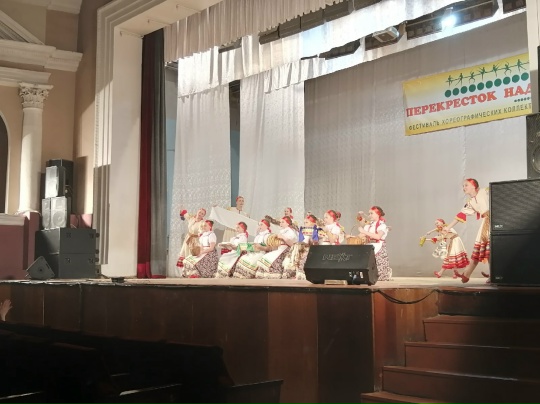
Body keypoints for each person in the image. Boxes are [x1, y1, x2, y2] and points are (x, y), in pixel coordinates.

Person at [445, 178, 490, 283]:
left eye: (466, 185)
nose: (463, 188)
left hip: (494, 220)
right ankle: (468, 274)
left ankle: (469, 274)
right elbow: (461, 215)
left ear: (474, 186)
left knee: (489, 249)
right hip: (486, 223)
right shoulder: (471, 202)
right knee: (484, 250)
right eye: (463, 186)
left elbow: (498, 192)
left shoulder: (484, 191)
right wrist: (448, 227)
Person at [358, 206, 392, 281]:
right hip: (369, 246)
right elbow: (362, 235)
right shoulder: (369, 225)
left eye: (371, 213)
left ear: (378, 214)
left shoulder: (382, 225)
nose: (369, 215)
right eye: (369, 214)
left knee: (378, 270)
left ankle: (383, 274)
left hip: (378, 246)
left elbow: (378, 236)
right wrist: (361, 232)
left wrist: (364, 232)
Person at [282, 214, 319, 280]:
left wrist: (312, 238)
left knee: (303, 254)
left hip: (310, 248)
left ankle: (301, 273)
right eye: (304, 222)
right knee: (293, 253)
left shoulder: (316, 230)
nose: (305, 224)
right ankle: (291, 273)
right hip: (302, 247)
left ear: (313, 223)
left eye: (307, 222)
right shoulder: (303, 230)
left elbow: (315, 243)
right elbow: (300, 240)